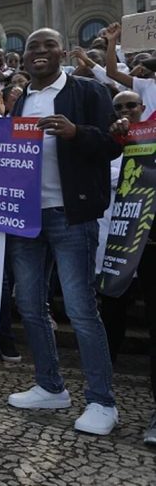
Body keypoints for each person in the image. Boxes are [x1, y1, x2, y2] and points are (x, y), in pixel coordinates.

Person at [0, 28, 121, 435]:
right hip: (25, 217)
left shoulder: (87, 91)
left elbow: (111, 144)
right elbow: (9, 152)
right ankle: (50, 385)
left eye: (47, 45)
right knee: (31, 306)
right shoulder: (21, 103)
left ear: (61, 52)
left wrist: (76, 133)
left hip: (71, 215)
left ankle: (102, 401)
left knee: (81, 310)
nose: (38, 51)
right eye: (32, 46)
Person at [100, 91, 156, 445]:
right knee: (111, 314)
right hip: (120, 244)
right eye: (118, 107)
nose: (125, 112)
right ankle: (103, 391)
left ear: (144, 108)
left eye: (131, 106)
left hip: (150, 247)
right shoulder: (113, 141)